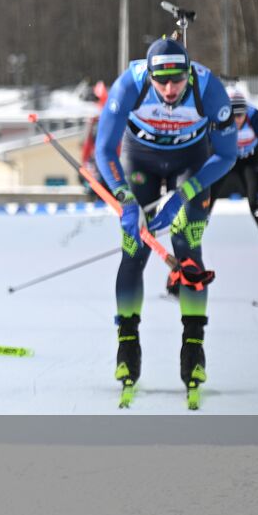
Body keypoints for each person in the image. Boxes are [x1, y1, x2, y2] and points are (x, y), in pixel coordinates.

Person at [93, 37, 238, 399]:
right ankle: (127, 345)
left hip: (190, 164)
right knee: (134, 249)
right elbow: (103, 149)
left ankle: (194, 347)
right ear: (151, 75)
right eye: (162, 82)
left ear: (189, 72)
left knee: (187, 246)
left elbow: (227, 156)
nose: (170, 89)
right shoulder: (130, 84)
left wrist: (183, 197)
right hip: (139, 160)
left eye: (177, 80)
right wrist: (125, 199)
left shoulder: (209, 89)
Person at [209, 87, 258, 236]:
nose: (237, 120)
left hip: (249, 159)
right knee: (207, 195)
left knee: (255, 202)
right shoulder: (217, 119)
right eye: (233, 116)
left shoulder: (255, 117)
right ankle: (194, 229)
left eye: (240, 115)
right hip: (226, 159)